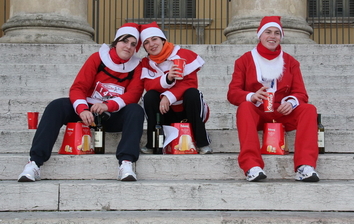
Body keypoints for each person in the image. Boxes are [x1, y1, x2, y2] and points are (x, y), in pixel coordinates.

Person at [18, 23, 145, 182]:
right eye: (124, 41)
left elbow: (133, 95)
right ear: (116, 42)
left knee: (136, 110)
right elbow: (78, 87)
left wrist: (107, 106)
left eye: (133, 44)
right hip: (88, 113)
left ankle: (126, 163)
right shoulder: (97, 58)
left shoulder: (137, 66)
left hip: (112, 114)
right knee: (56, 106)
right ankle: (34, 163)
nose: (128, 47)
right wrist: (82, 109)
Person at [227, 16, 319, 182]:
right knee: (244, 108)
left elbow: (301, 93)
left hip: (282, 112)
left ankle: (305, 166)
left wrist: (291, 102)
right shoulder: (244, 60)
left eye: (277, 33)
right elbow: (233, 93)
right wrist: (251, 96)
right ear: (260, 35)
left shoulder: (291, 62)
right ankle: (251, 166)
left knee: (309, 109)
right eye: (268, 32)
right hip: (259, 112)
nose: (272, 36)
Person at [139, 22, 212, 154]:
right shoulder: (146, 62)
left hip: (186, 108)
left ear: (163, 40)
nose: (152, 44)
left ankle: (202, 143)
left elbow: (190, 83)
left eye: (154, 39)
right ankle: (153, 142)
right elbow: (148, 85)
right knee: (149, 97)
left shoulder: (183, 54)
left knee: (193, 93)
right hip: (165, 111)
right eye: (146, 42)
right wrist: (167, 79)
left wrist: (168, 96)